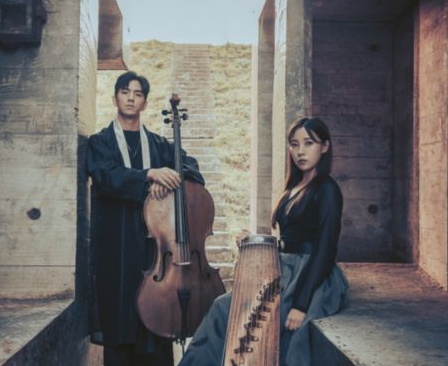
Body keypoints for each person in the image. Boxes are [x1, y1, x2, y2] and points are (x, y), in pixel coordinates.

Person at [178, 117, 349, 366]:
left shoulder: (328, 190)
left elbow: (326, 249)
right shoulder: (295, 186)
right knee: (223, 307)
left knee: (275, 326)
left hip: (311, 275)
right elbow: (289, 238)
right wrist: (252, 242)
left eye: (308, 143)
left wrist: (301, 305)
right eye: (294, 144)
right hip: (283, 268)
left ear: (324, 147)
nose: (300, 151)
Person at [86, 71, 204, 366]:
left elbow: (191, 168)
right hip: (117, 248)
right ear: (115, 97)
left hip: (154, 251)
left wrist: (169, 178)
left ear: (145, 103)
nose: (130, 98)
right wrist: (149, 174)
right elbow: (106, 178)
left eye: (137, 94)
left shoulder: (158, 144)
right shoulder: (100, 143)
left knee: (156, 337)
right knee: (119, 323)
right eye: (125, 91)